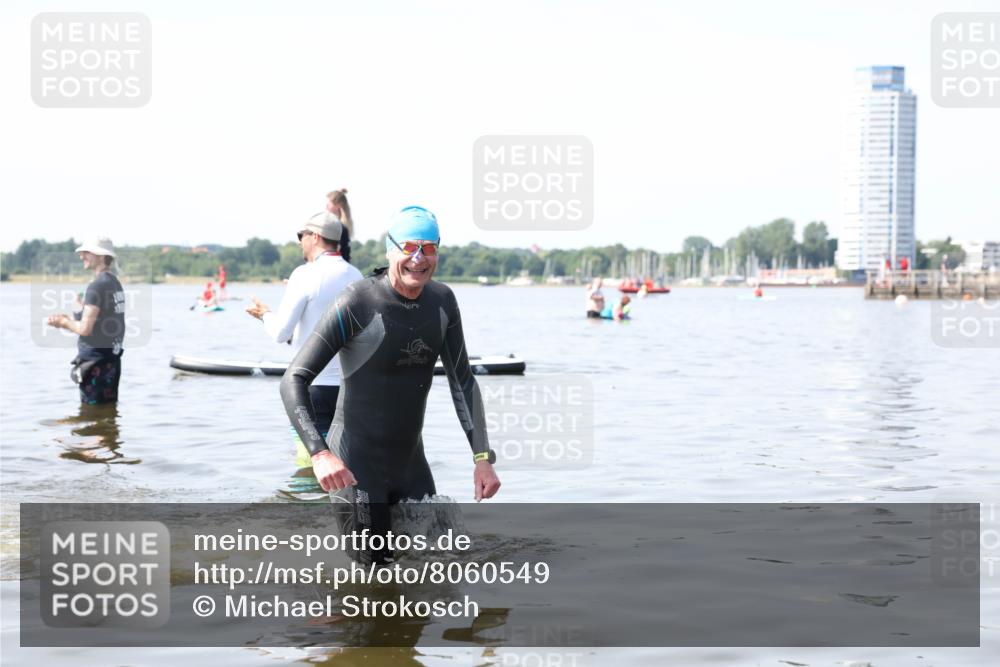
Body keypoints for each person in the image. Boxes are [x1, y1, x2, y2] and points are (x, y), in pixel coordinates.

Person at [280, 205, 500, 564]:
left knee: (436, 567)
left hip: (412, 467)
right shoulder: (359, 301)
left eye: (428, 248)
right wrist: (320, 454)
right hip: (355, 467)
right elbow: (294, 378)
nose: (418, 258)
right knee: (374, 584)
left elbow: (463, 382)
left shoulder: (442, 302)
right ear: (390, 249)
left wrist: (482, 458)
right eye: (409, 247)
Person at [247, 212, 362, 469]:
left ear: (316, 237)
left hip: (312, 390)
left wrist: (264, 314)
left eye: (302, 235)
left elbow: (281, 333)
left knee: (311, 470)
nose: (300, 242)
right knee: (346, 472)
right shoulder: (357, 276)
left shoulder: (304, 275)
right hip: (350, 392)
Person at [46, 238, 125, 405]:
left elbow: (85, 329)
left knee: (91, 417)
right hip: (111, 361)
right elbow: (100, 323)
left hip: (95, 364)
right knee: (107, 414)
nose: (81, 256)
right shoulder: (114, 283)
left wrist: (63, 322)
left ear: (102, 256)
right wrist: (76, 313)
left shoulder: (96, 286)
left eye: (87, 252)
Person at [326, 189, 355, 264]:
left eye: (328, 204)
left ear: (337, 205)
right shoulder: (344, 224)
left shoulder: (337, 226)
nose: (326, 206)